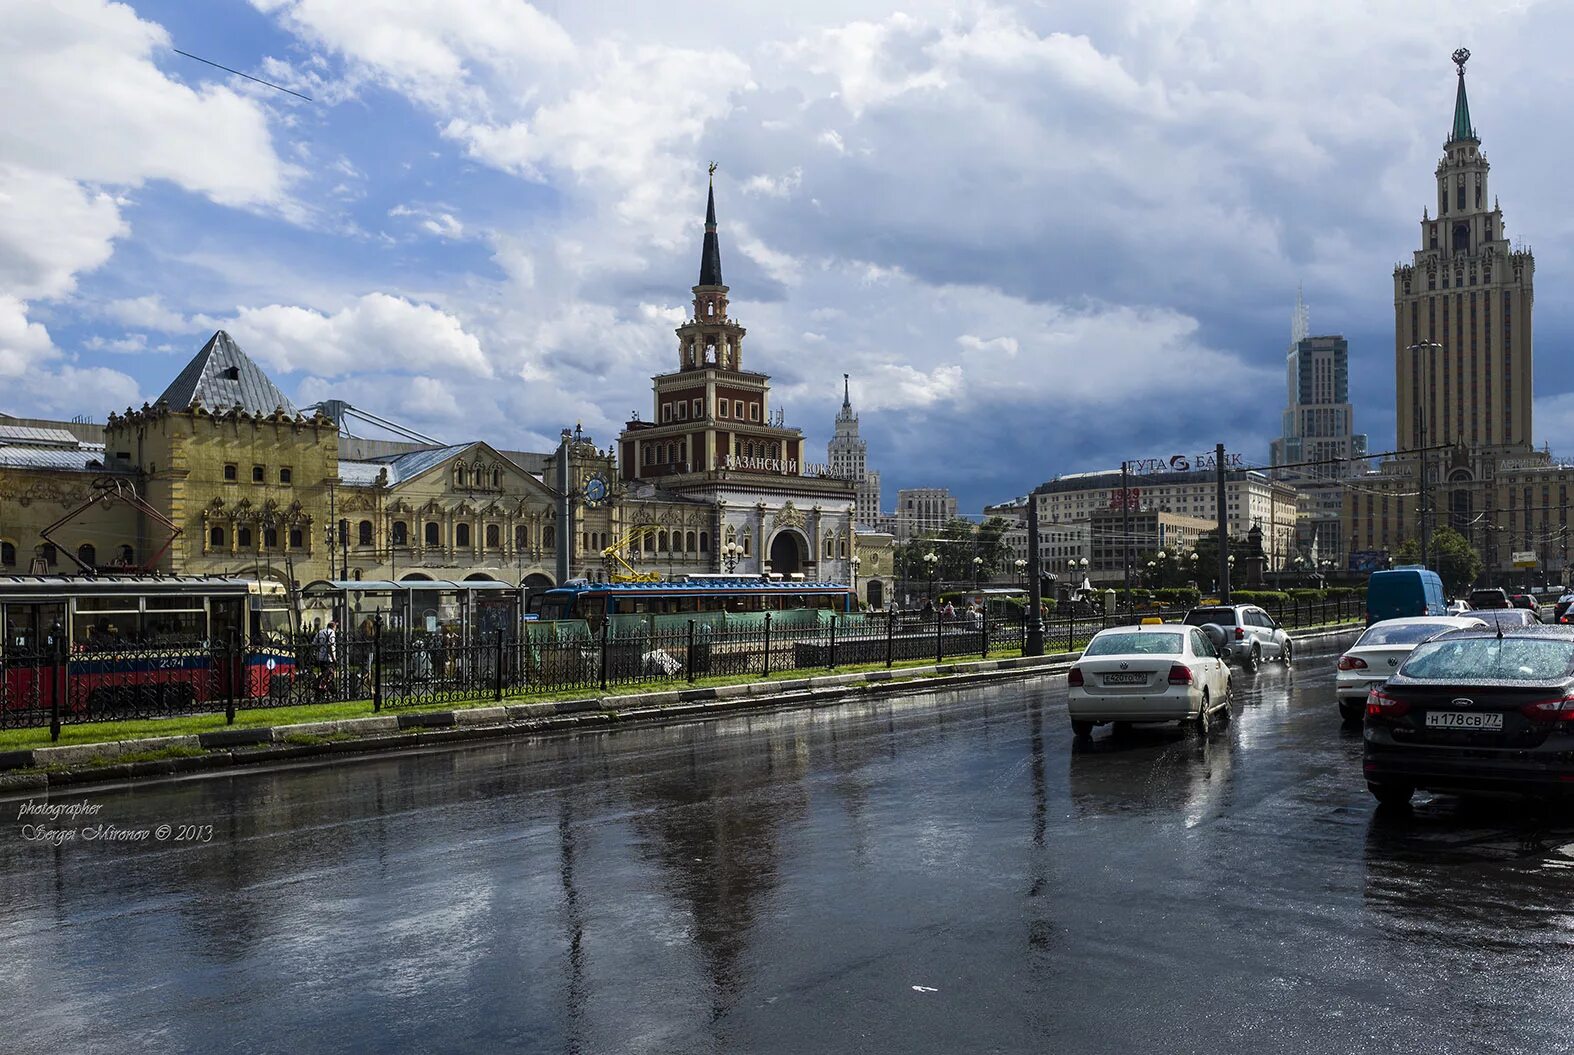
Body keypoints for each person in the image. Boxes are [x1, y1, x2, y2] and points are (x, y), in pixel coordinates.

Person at [313, 619, 338, 694]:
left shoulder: (320, 632)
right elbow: (330, 646)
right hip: (328, 658)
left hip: (320, 657)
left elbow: (314, 644)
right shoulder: (331, 632)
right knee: (328, 675)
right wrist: (333, 658)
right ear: (333, 627)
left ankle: (322, 693)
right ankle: (331, 692)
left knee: (327, 676)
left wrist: (316, 653)